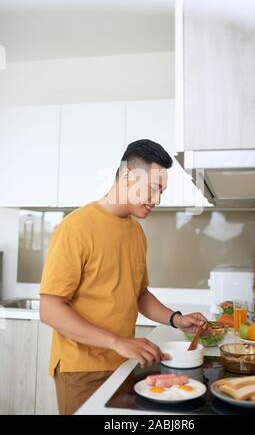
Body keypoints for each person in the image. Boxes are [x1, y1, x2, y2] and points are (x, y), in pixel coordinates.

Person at [40, 139, 208, 415]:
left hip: (124, 365)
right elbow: (50, 309)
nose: (157, 200)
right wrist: (118, 342)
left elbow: (138, 293)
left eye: (161, 192)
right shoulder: (75, 228)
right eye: (154, 189)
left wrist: (176, 319)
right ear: (128, 176)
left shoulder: (136, 233)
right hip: (81, 370)